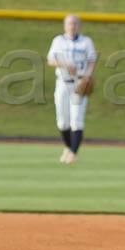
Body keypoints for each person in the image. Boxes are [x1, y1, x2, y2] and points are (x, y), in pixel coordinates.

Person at [45, 14, 97, 165]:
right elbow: (50, 60)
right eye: (69, 24)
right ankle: (69, 148)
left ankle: (73, 153)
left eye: (74, 23)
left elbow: (92, 60)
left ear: (79, 26)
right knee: (62, 121)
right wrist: (64, 65)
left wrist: (87, 76)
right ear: (64, 26)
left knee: (76, 120)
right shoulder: (58, 41)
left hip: (79, 84)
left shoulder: (86, 42)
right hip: (62, 82)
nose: (72, 26)